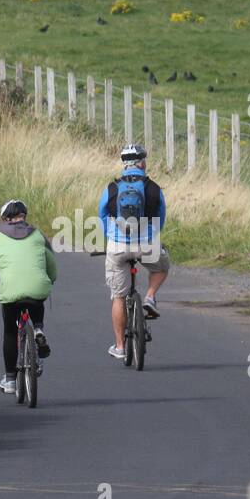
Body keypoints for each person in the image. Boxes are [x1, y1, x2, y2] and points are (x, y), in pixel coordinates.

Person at [98, 144, 169, 359]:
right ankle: (149, 297)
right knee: (161, 267)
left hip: (118, 246)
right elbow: (161, 217)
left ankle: (120, 347)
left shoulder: (111, 188)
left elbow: (102, 216)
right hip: (146, 244)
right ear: (142, 162)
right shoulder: (153, 187)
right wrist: (151, 238)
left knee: (118, 296)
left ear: (124, 164)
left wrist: (111, 238)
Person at [0, 200, 57, 394]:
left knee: (10, 332)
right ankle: (38, 328)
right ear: (24, 215)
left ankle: (11, 379)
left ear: (5, 219)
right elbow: (52, 266)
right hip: (37, 289)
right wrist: (49, 279)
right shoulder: (38, 234)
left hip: (10, 292)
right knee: (37, 298)